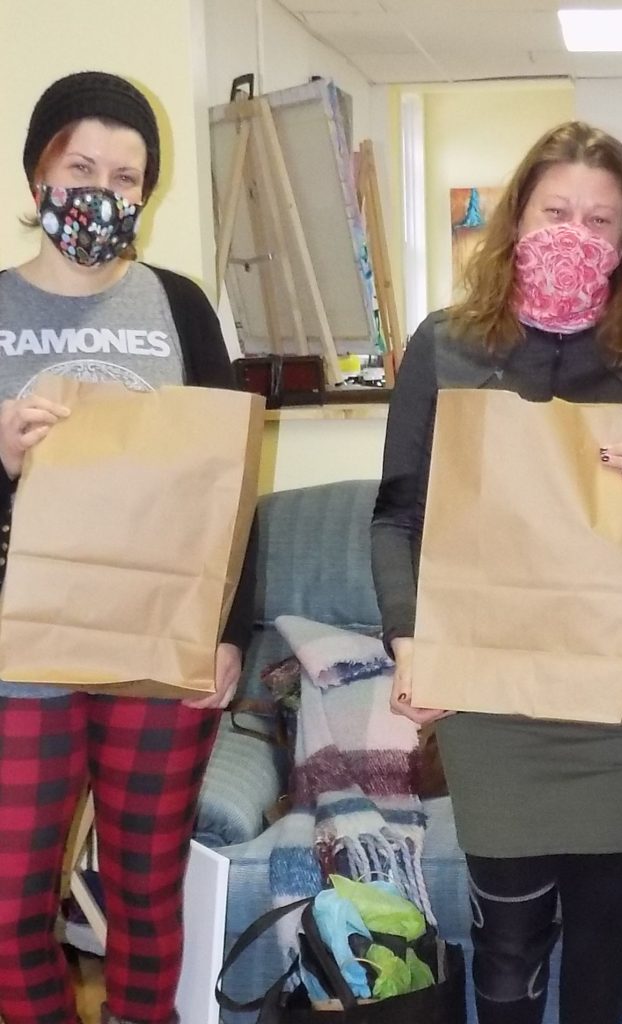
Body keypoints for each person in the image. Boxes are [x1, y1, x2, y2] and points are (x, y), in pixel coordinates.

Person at [371, 120, 622, 1024]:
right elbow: (398, 513)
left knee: (601, 917)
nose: (576, 234)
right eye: (557, 212)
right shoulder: (447, 346)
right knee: (509, 934)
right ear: (517, 217)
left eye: (600, 220)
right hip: (490, 687)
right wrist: (410, 641)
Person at [0, 72, 255, 1024]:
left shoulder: (179, 306)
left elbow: (230, 481)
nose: (101, 193)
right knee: (10, 905)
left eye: (125, 176)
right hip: (20, 651)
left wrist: (229, 631)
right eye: (81, 169)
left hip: (159, 636)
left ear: (147, 189)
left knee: (146, 893)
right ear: (38, 174)